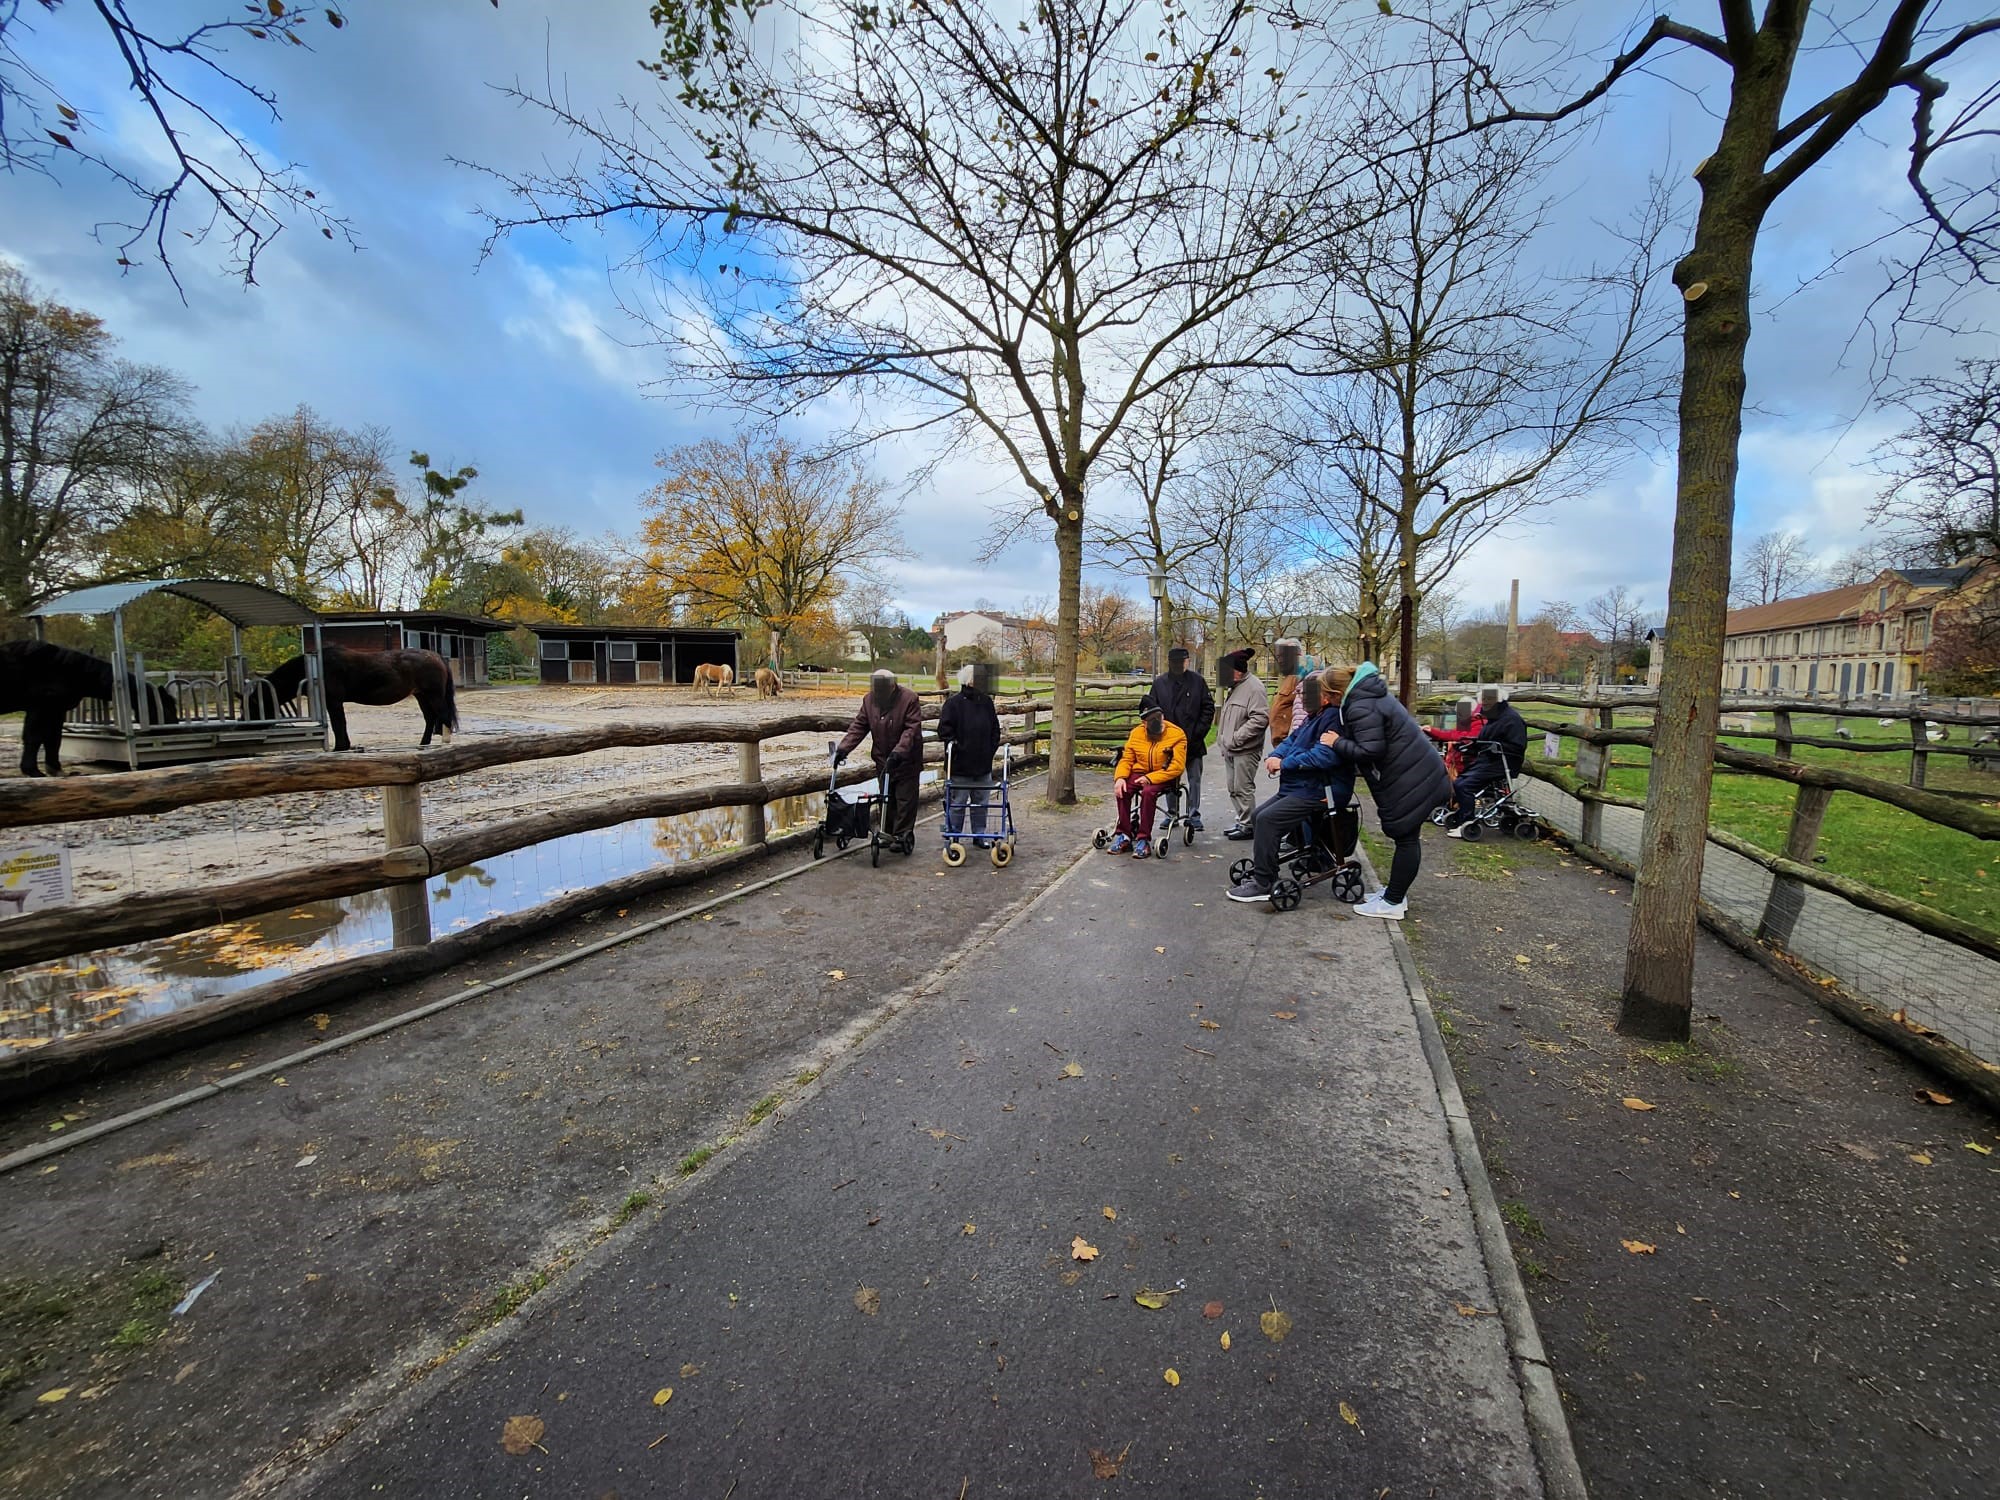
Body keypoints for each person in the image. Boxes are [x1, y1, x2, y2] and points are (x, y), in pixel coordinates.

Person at [1327, 660, 1452, 920]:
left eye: (1327, 695)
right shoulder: (1368, 696)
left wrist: (1337, 742)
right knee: (1406, 837)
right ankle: (1394, 894)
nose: (1326, 701)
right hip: (1418, 773)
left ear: (1337, 693)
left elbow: (1371, 749)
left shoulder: (1360, 705)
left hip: (1413, 778)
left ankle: (1393, 902)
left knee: (1406, 837)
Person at [1225, 667, 1353, 902]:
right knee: (1258, 816)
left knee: (1267, 820)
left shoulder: (1333, 718)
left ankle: (1264, 882)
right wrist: (1276, 756)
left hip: (1322, 789)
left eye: (1307, 695)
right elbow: (1292, 740)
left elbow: (1323, 756)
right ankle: (1275, 864)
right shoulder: (1315, 717)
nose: (1301, 699)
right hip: (1301, 786)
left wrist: (1285, 764)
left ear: (1325, 697)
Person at [835, 669, 925, 848]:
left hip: (906, 760)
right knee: (886, 797)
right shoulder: (869, 700)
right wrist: (844, 748)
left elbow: (911, 730)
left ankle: (901, 836)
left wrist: (900, 751)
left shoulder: (909, 699)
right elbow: (859, 726)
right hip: (883, 758)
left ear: (893, 687)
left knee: (905, 799)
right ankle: (887, 832)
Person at [1141, 647, 1214, 830]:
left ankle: (1193, 814)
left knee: (1194, 778)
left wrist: (1198, 733)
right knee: (1169, 777)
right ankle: (1171, 813)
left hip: (1193, 741)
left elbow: (1208, 708)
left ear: (1187, 662)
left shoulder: (1198, 682)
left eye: (1182, 662)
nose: (1178, 665)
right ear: (1169, 663)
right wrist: (1159, 733)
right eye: (1175, 662)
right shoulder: (1159, 684)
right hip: (1168, 742)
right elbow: (1151, 710)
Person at [1445, 688, 1527, 836]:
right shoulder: (1493, 718)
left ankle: (1467, 821)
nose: (1484, 706)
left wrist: (1491, 747)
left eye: (1487, 702)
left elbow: (1517, 746)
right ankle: (1462, 816)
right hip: (1487, 760)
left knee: (1465, 786)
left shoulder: (1512, 720)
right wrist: (1473, 743)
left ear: (1498, 702)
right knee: (1459, 783)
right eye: (1483, 702)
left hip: (1502, 763)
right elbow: (1481, 737)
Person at [1108, 704, 1187, 858]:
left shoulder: (1177, 735)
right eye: (1149, 721)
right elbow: (1127, 759)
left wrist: (1151, 778)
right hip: (1140, 771)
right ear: (1143, 723)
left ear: (1163, 718)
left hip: (1163, 774)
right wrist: (1120, 778)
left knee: (1148, 792)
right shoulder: (1137, 733)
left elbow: (1177, 767)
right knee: (1122, 789)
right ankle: (1124, 835)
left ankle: (1143, 839)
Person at [938, 662, 1002, 837]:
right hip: (960, 766)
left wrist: (989, 750)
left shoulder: (987, 702)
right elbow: (944, 730)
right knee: (958, 803)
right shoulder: (953, 704)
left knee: (981, 802)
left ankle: (979, 835)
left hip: (983, 764)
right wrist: (959, 749)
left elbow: (995, 729)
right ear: (970, 681)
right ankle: (954, 836)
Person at [1213, 648, 1269, 840]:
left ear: (1237, 671)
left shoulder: (1254, 688)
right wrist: (1224, 740)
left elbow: (1260, 719)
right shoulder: (1235, 687)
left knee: (1243, 788)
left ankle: (1248, 826)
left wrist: (1236, 738)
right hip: (1231, 749)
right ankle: (1242, 820)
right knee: (1233, 788)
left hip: (1245, 749)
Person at [1267, 638, 1304, 750]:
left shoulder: (1301, 677)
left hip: (1292, 746)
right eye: (1278, 656)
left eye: (1284, 655)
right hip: (1282, 746)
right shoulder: (1289, 677)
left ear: (1298, 655)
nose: (1281, 660)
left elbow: (1306, 715)